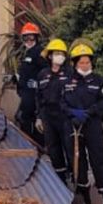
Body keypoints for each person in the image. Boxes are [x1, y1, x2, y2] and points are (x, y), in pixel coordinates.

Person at [59, 42, 103, 204]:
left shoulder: (99, 81)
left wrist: (89, 113)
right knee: (79, 164)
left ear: (91, 63)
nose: (84, 65)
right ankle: (85, 200)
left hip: (92, 125)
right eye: (81, 62)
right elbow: (62, 103)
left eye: (87, 62)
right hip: (74, 126)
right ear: (75, 63)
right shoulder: (68, 82)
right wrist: (73, 114)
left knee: (99, 160)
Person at [35, 38, 73, 185]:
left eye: (62, 54)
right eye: (56, 53)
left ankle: (75, 179)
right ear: (50, 56)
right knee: (53, 149)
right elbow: (38, 97)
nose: (60, 56)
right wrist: (39, 117)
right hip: (48, 117)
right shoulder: (42, 75)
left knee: (69, 148)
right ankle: (61, 181)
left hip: (65, 116)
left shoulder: (70, 73)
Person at [12, 23, 46, 143]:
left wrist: (38, 83)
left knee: (33, 121)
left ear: (36, 38)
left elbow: (46, 71)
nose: (29, 40)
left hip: (34, 94)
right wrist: (17, 78)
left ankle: (38, 146)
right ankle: (28, 144)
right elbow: (27, 72)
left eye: (31, 37)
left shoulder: (40, 52)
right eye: (26, 38)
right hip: (26, 93)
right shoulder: (28, 53)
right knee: (23, 118)